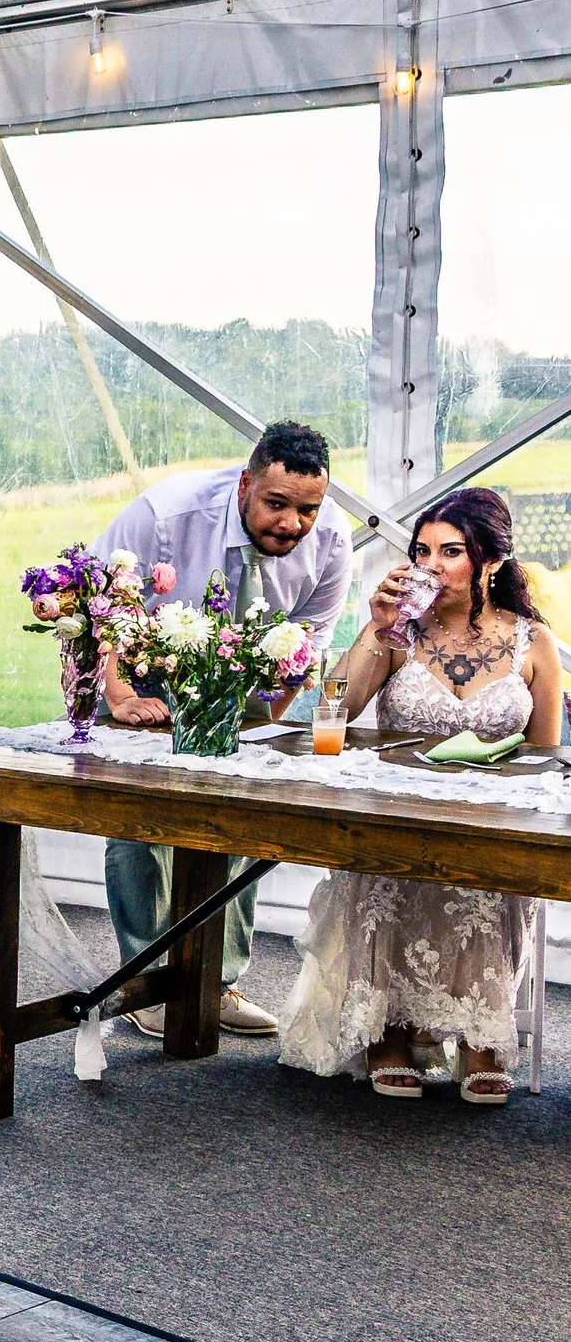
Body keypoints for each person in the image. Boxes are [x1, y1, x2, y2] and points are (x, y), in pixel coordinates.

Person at [283, 487, 561, 1101]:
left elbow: (544, 757)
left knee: (490, 880)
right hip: (395, 814)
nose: (430, 564)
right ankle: (390, 1030)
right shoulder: (397, 634)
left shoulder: (533, 643)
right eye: (422, 550)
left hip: (489, 818)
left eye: (450, 551)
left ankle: (484, 1036)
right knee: (388, 871)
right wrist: (376, 631)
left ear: (490, 560)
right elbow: (334, 711)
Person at [91, 422, 352, 1043]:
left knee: (236, 822)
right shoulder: (163, 515)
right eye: (277, 504)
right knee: (139, 827)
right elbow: (98, 603)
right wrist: (122, 696)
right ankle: (146, 980)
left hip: (244, 679)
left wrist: (266, 716)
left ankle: (217, 979)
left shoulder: (334, 540)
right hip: (142, 669)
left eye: (307, 509)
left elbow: (308, 642)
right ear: (245, 485)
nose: (292, 523)